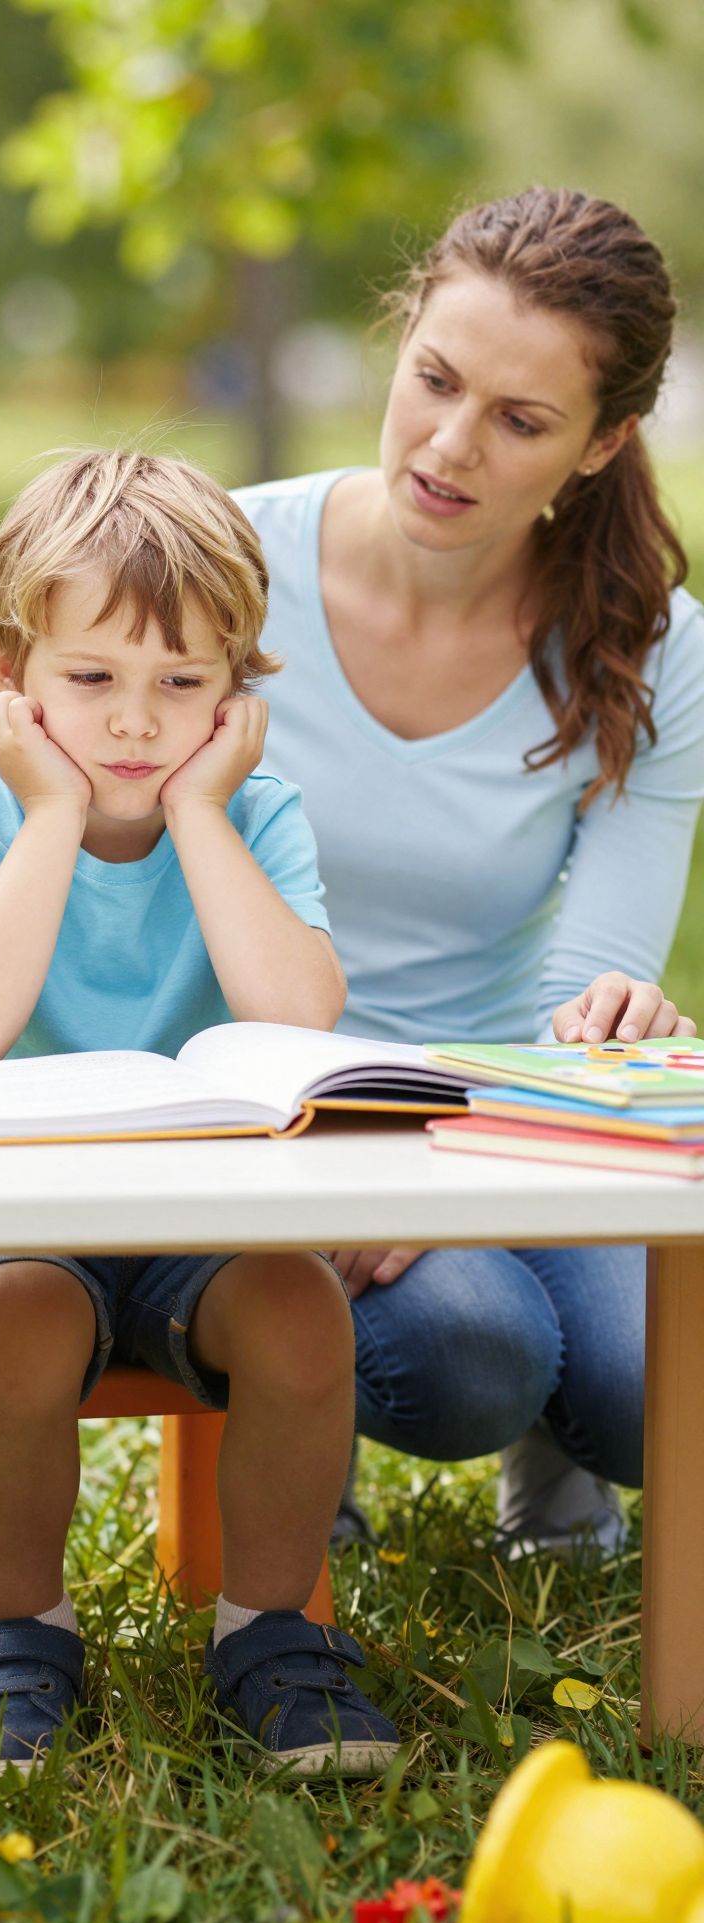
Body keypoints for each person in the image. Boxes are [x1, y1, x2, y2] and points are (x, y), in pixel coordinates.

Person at [0, 450, 400, 1779]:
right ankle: (19, 1639)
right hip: (6, 1225)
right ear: (11, 678)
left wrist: (204, 816)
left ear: (237, 696)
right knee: (21, 1316)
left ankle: (271, 1633)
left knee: (299, 1315)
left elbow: (299, 1016)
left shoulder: (253, 816)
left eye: (183, 686)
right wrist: (49, 812)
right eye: (91, 681)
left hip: (201, 1225)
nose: (134, 724)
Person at [237, 187, 704, 1554]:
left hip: (510, 1116)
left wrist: (610, 1023)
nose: (448, 446)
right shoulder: (219, 566)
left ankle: (571, 1460)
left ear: (604, 443)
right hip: (260, 1107)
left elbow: (584, 981)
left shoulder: (654, 650)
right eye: (435, 380)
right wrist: (340, 1156)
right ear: (401, 343)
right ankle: (295, 1456)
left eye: (521, 420)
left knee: (653, 1398)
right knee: (466, 1356)